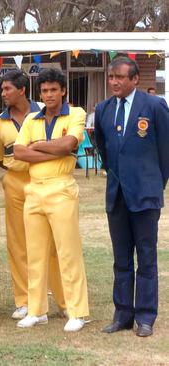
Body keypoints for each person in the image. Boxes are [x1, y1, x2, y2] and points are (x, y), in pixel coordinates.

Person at [95, 57, 169, 337]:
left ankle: (146, 317)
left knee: (147, 258)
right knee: (121, 259)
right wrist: (118, 177)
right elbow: (104, 150)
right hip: (117, 196)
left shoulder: (154, 106)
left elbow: (165, 150)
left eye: (121, 77)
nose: (114, 82)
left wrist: (155, 183)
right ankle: (122, 315)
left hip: (146, 195)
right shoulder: (102, 109)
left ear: (135, 79)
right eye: (111, 77)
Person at [14, 68, 89, 332]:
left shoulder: (76, 113)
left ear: (63, 91)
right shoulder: (32, 119)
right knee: (35, 253)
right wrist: (52, 149)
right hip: (34, 190)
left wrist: (39, 146)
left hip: (61, 189)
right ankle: (36, 310)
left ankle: (77, 312)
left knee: (67, 252)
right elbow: (19, 152)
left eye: (53, 90)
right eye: (44, 91)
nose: (48, 95)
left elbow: (68, 144)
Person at [0, 70, 67, 320]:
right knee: (18, 242)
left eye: (7, 89)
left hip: (45, 181)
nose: (3, 94)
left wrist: (34, 158)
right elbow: (1, 159)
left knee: (54, 243)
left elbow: (63, 148)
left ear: (22, 90)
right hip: (14, 182)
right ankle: (25, 301)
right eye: (2, 90)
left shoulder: (42, 112)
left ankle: (64, 301)